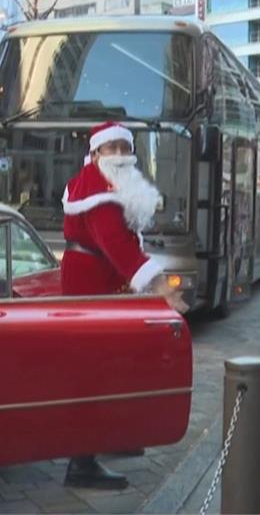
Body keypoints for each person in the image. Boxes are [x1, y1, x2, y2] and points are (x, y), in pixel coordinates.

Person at [59, 121, 189, 490]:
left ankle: (109, 438)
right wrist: (160, 286)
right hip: (89, 289)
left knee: (109, 365)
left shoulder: (109, 182)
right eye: (109, 148)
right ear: (95, 152)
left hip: (101, 286)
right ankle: (80, 461)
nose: (118, 155)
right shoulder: (95, 188)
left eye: (123, 147)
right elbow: (116, 244)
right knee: (92, 371)